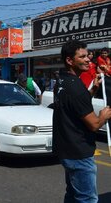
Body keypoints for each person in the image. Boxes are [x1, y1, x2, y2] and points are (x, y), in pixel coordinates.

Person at [53, 40, 111, 203]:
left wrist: (92, 90)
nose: (88, 60)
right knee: (87, 199)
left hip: (67, 150)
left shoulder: (62, 81)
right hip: (79, 153)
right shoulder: (75, 88)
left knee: (73, 195)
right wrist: (103, 116)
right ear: (69, 60)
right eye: (83, 56)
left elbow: (74, 105)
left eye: (88, 56)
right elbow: (93, 125)